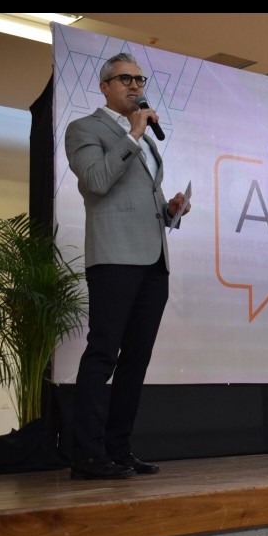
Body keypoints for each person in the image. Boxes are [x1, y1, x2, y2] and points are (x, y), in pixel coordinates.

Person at [64, 52, 190, 479]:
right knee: (103, 354)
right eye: (125, 79)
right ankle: (86, 454)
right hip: (115, 258)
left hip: (154, 260)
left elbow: (141, 197)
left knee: (136, 359)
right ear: (104, 87)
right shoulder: (85, 129)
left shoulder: (147, 142)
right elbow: (97, 182)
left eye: (139, 79)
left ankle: (118, 448)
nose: (135, 86)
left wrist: (170, 210)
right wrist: (134, 133)